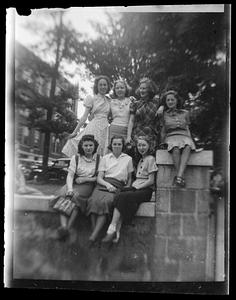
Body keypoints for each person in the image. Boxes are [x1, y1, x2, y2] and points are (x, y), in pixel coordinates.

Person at [102, 135, 158, 244]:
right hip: (137, 187)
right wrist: (133, 187)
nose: (141, 148)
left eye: (144, 145)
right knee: (118, 194)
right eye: (139, 145)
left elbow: (151, 181)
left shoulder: (151, 159)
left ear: (149, 146)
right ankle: (116, 231)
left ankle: (112, 227)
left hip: (146, 190)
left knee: (124, 196)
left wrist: (136, 187)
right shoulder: (142, 159)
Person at [86, 135, 134, 245]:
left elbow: (130, 178)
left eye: (119, 144)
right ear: (111, 145)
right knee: (93, 201)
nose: (117, 146)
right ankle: (95, 235)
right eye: (114, 144)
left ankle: (93, 236)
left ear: (123, 146)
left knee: (105, 202)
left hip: (117, 185)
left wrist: (127, 189)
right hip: (103, 184)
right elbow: (99, 178)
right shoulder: (105, 158)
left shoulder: (128, 159)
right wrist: (107, 185)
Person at [56, 135, 100, 240]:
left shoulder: (99, 159)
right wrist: (70, 188)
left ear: (95, 146)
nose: (88, 148)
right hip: (74, 183)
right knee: (65, 195)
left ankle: (68, 227)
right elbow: (70, 175)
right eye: (86, 145)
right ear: (81, 146)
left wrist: (86, 179)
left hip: (87, 185)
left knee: (75, 198)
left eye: (91, 145)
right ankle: (64, 227)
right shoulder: (76, 158)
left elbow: (99, 177)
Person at [62, 75, 111, 157]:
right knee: (91, 148)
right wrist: (75, 132)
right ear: (97, 86)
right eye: (100, 85)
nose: (103, 87)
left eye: (104, 85)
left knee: (102, 151)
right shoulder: (91, 98)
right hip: (94, 127)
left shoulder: (109, 100)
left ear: (108, 86)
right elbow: (84, 117)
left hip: (105, 128)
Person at [159, 89, 196, 187]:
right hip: (171, 136)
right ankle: (180, 177)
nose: (170, 102)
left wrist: (190, 139)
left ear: (177, 101)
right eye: (168, 100)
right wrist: (162, 143)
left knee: (188, 146)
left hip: (184, 135)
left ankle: (179, 177)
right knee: (175, 148)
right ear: (166, 102)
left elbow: (187, 128)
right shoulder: (163, 114)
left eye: (172, 100)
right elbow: (163, 131)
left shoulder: (185, 113)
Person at [127, 78, 162, 161]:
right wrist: (128, 136)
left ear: (150, 89)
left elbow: (168, 100)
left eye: (144, 88)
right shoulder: (135, 104)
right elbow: (131, 121)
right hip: (137, 133)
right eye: (140, 88)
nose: (142, 90)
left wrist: (162, 107)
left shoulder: (157, 102)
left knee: (150, 159)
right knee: (137, 159)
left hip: (151, 133)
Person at [108, 79, 135, 144]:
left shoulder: (131, 101)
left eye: (122, 88)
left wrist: (129, 136)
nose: (119, 90)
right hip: (113, 129)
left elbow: (132, 120)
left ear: (126, 89)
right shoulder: (111, 102)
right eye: (117, 88)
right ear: (114, 90)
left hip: (126, 130)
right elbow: (106, 116)